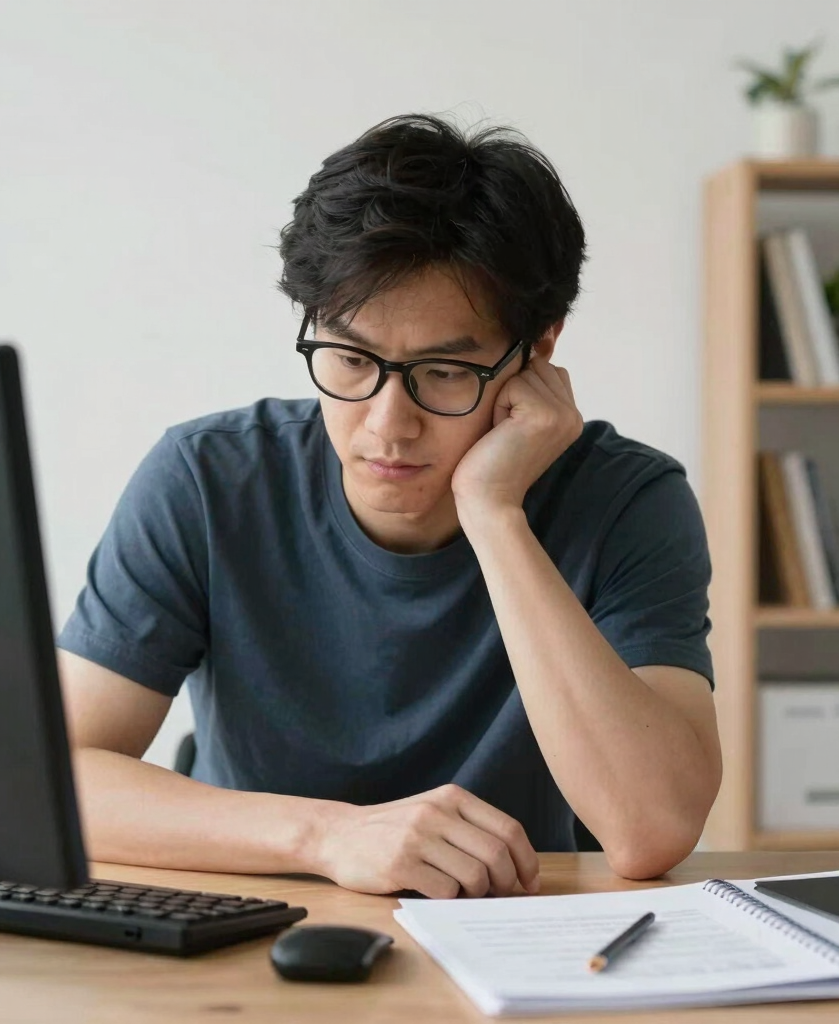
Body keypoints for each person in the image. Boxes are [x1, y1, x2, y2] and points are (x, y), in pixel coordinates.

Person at [57, 114, 722, 900]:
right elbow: (60, 780)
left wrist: (495, 512)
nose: (386, 425)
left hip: (514, 936)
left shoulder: (627, 501)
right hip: (254, 921)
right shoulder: (208, 479)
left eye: (444, 372)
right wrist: (329, 835)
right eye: (348, 357)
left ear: (538, 350)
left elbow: (654, 829)